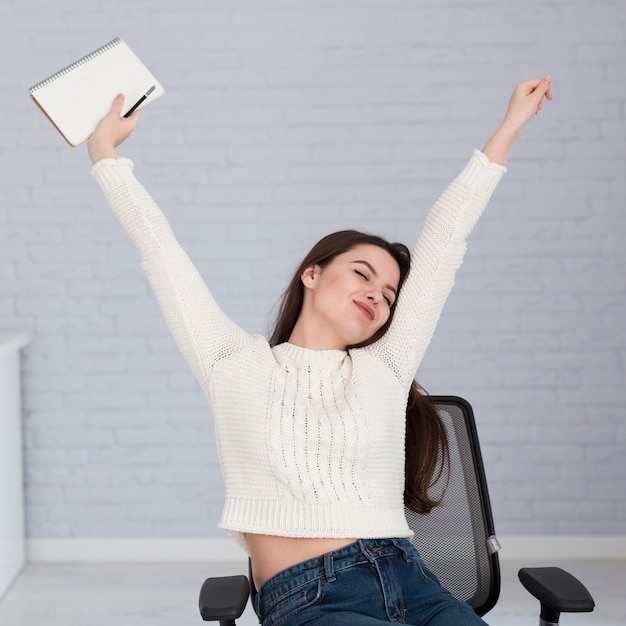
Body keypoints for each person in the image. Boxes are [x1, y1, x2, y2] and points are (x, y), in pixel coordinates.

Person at [87, 76, 553, 625]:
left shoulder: (386, 367)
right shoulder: (231, 361)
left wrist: (509, 129)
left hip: (412, 580)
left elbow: (445, 241)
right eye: (362, 273)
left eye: (388, 294)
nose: (376, 295)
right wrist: (105, 154)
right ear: (312, 273)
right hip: (311, 596)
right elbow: (161, 252)